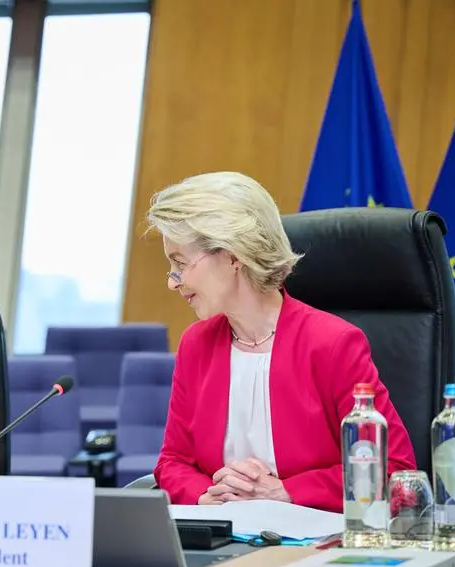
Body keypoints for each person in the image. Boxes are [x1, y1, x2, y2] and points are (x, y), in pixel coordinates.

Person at [147, 171, 416, 513]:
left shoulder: (333, 344)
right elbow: (173, 461)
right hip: (221, 534)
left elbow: (393, 471)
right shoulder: (196, 344)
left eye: (180, 263)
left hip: (313, 539)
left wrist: (284, 492)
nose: (173, 282)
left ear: (233, 256)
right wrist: (206, 495)